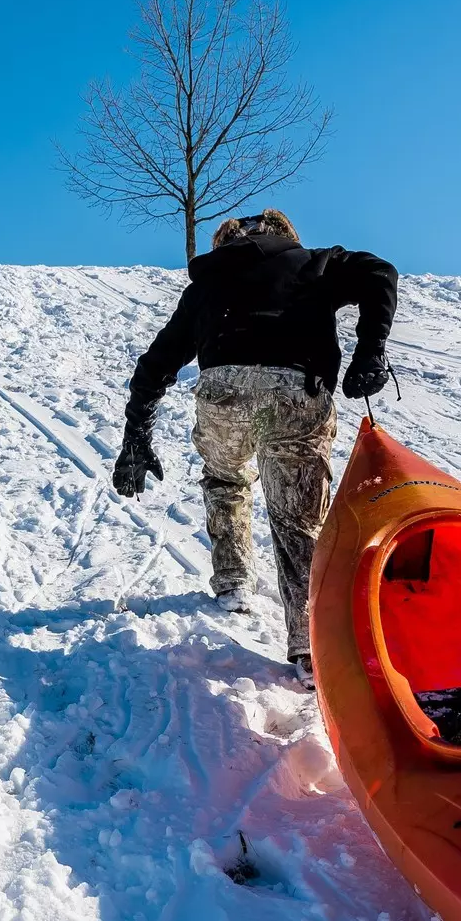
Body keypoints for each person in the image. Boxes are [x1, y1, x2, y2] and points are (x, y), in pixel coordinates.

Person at [112, 209, 399, 688]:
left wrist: (136, 435)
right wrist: (370, 350)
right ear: (286, 235)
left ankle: (232, 583)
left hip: (224, 390)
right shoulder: (313, 262)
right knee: (296, 519)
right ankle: (311, 647)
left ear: (224, 242)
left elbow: (156, 362)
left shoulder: (207, 284)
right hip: (296, 390)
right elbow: (379, 273)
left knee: (226, 478)